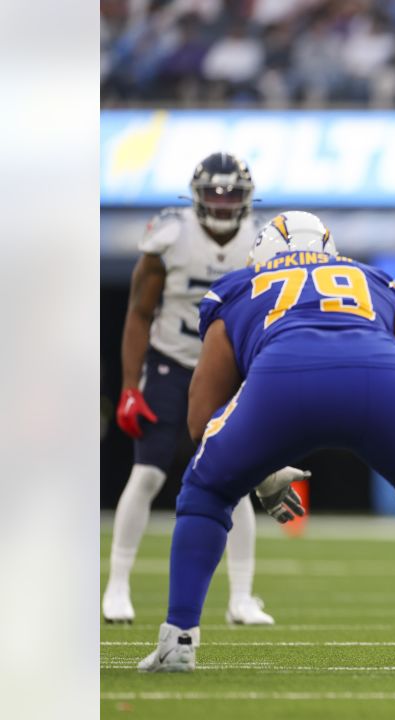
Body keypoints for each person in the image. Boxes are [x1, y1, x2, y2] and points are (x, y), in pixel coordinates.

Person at [137, 211, 395, 676]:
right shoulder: (366, 278)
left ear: (262, 254)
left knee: (205, 492)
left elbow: (202, 419)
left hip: (284, 379)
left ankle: (179, 640)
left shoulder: (242, 285)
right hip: (382, 380)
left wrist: (254, 470)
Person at [105, 152, 275, 625]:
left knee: (237, 481)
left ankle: (241, 597)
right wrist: (127, 386)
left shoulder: (261, 242)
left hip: (226, 368)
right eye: (214, 195)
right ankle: (116, 585)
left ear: (247, 199)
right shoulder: (172, 236)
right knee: (149, 474)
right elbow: (139, 314)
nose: (222, 205)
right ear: (196, 197)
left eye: (232, 195)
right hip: (171, 362)